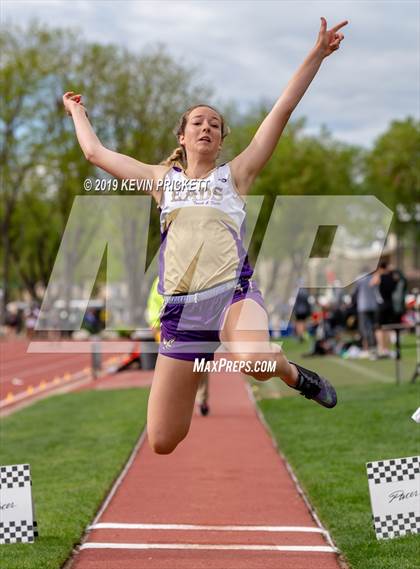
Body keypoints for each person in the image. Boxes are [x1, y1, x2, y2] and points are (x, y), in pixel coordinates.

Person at [63, 16, 347, 454]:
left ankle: (295, 376)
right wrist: (77, 111)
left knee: (254, 362)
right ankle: (211, 368)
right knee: (162, 439)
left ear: (220, 140)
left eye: (214, 123)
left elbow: (282, 110)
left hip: (233, 296)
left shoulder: (237, 175)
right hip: (182, 312)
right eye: (197, 121)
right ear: (182, 135)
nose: (206, 127)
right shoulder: (160, 181)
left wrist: (316, 56)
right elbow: (94, 152)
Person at [146, 276, 211, 416]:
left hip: (196, 327)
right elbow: (154, 304)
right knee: (172, 367)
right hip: (169, 329)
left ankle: (201, 398)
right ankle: (175, 403)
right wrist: (155, 326)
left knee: (200, 365)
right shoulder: (160, 280)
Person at [354, 268, 380, 357]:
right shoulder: (374, 278)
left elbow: (355, 292)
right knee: (373, 327)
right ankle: (374, 347)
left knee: (365, 328)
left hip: (363, 306)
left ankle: (367, 348)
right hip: (373, 305)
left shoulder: (360, 278)